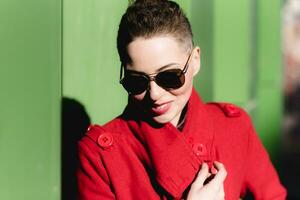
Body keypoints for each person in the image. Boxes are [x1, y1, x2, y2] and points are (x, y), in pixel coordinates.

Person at [77, 0, 287, 199]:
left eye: (169, 76)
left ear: (195, 61)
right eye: (137, 82)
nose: (154, 94)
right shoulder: (100, 157)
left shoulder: (233, 128)